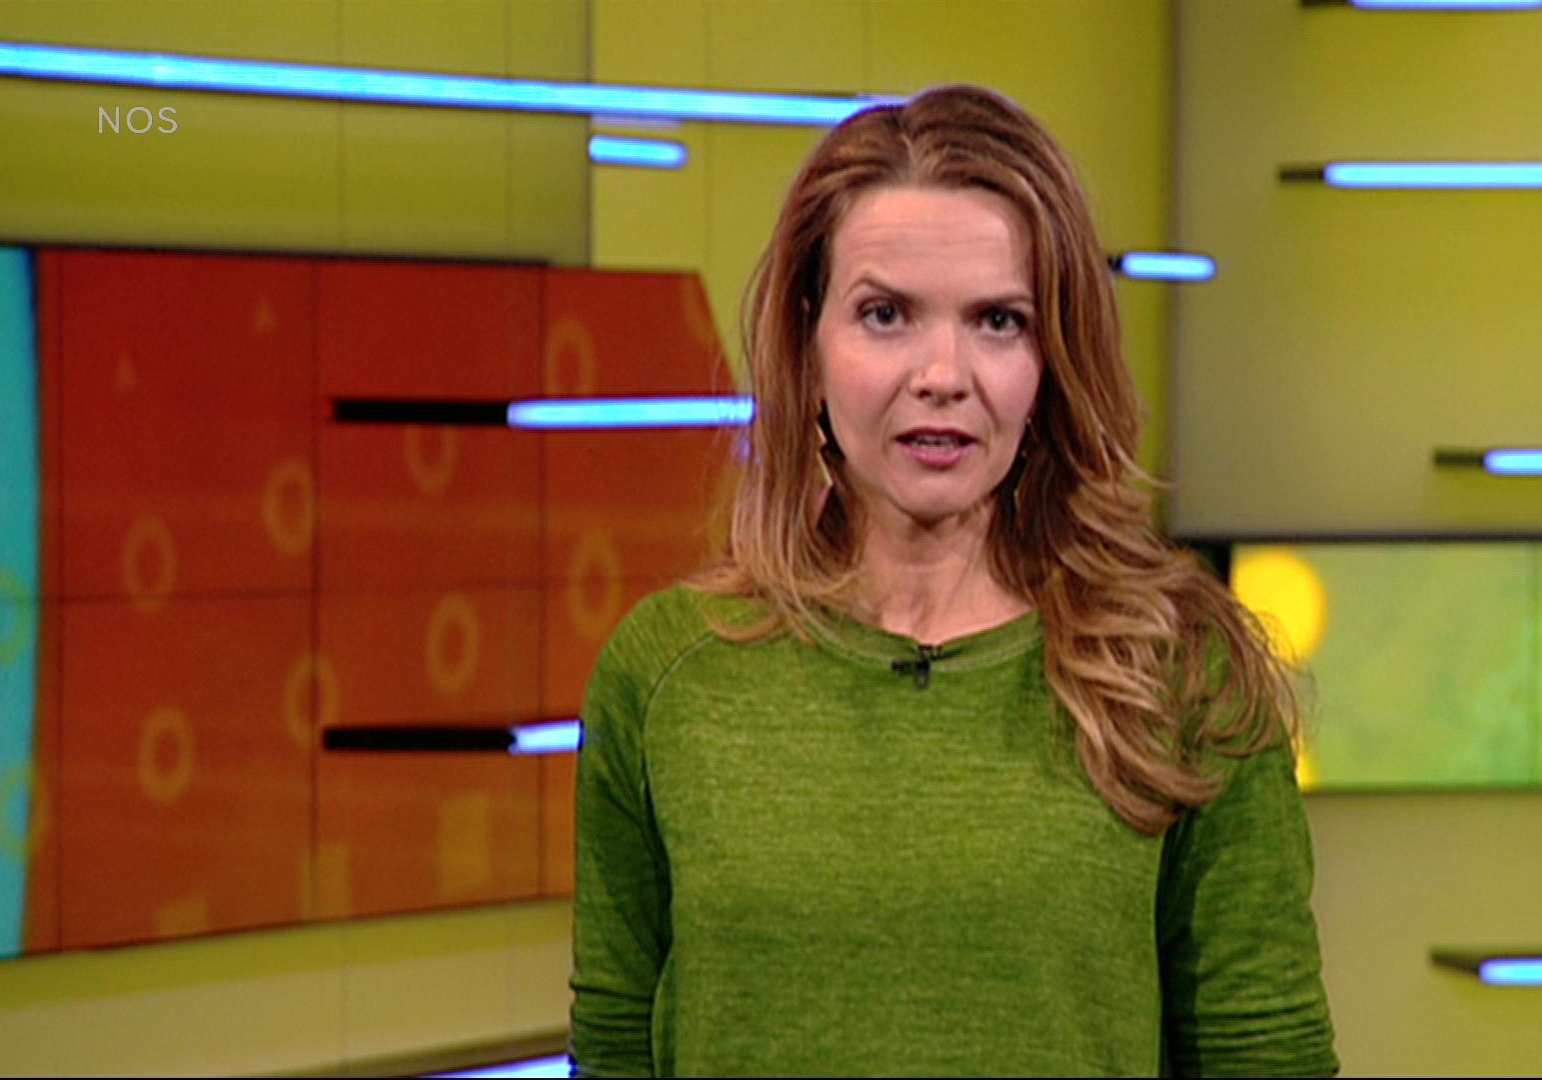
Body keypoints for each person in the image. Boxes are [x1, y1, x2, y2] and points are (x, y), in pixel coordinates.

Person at [568, 84, 1338, 1078]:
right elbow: (615, 1049)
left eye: (998, 321)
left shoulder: (1182, 673)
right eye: (886, 314)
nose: (942, 373)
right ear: (808, 340)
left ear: (1053, 358)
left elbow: (1266, 1059)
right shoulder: (667, 675)